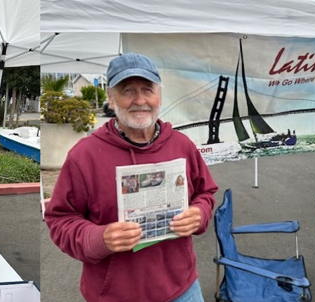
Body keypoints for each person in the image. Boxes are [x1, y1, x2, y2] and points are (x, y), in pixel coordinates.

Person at [45, 53, 218, 302]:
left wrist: (199, 214)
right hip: (115, 295)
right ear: (111, 99)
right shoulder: (84, 155)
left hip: (182, 288)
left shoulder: (182, 145)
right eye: (127, 91)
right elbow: (60, 220)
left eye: (148, 90)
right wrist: (99, 238)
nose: (140, 100)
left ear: (159, 95)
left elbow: (206, 193)